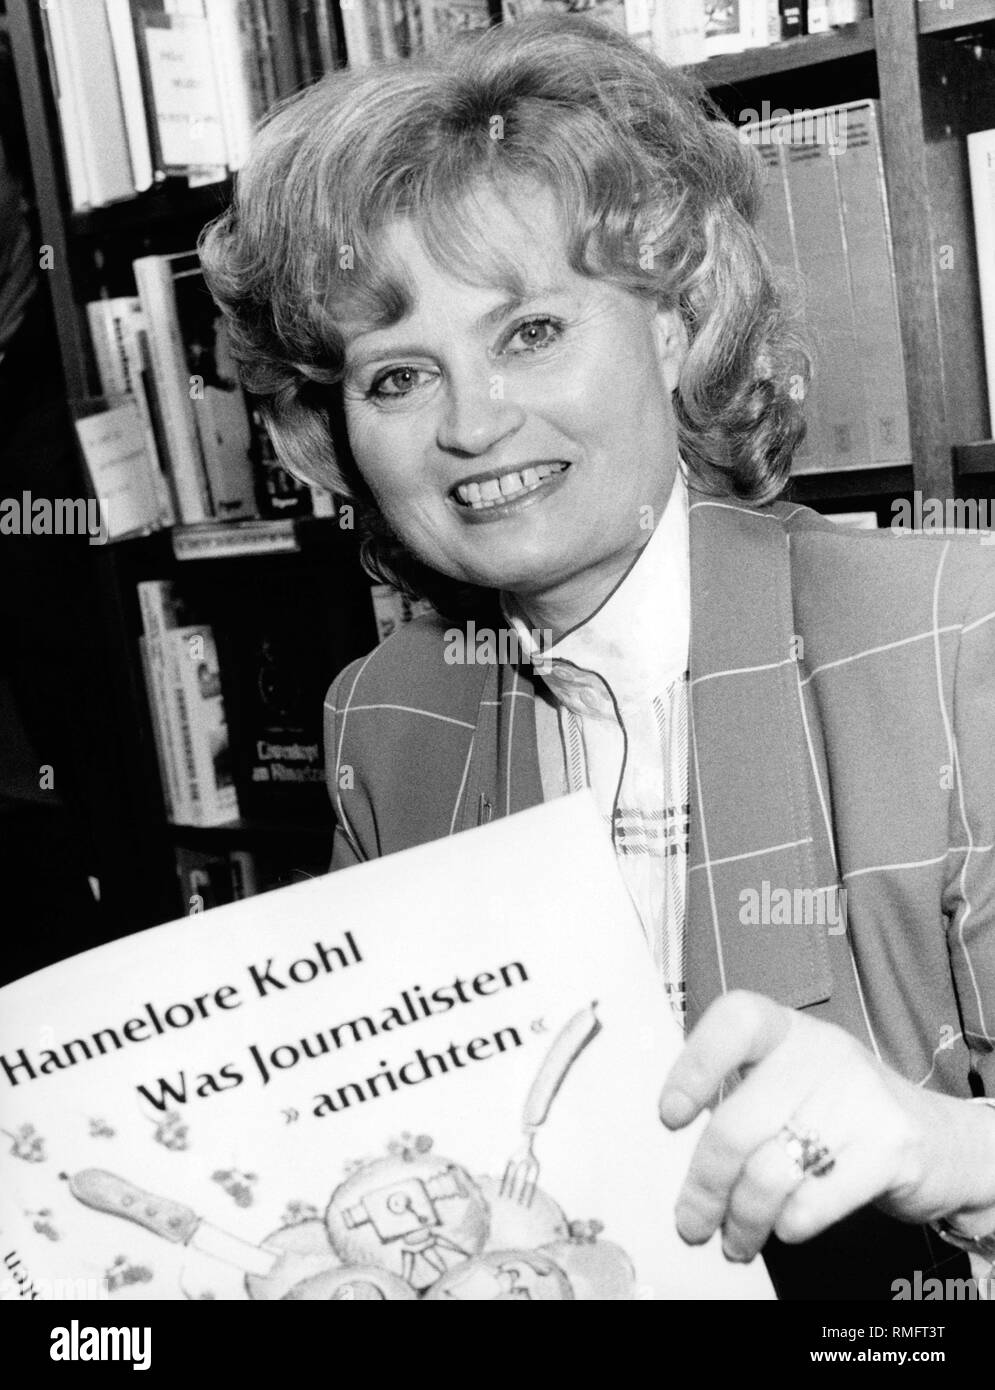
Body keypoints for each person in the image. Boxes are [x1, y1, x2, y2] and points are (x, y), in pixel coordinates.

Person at [200, 15, 995, 1299]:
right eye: (396, 376)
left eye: (528, 334)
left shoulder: (956, 634)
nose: (470, 423)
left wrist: (945, 1148)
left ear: (673, 327)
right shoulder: (381, 723)